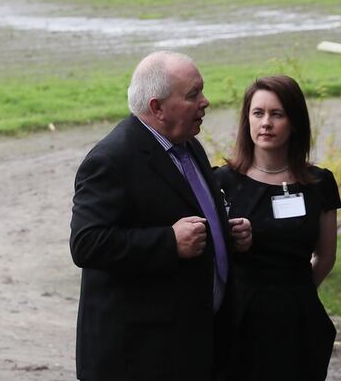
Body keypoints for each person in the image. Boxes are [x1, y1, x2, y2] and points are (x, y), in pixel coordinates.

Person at [69, 51, 253, 381]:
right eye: (193, 94)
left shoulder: (188, 144)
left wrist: (224, 234)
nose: (205, 102)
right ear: (157, 108)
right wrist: (168, 241)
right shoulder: (111, 159)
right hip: (139, 358)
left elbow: (187, 212)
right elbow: (86, 243)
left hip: (193, 346)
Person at [213, 75, 340, 381]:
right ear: (247, 120)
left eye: (277, 114)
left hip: (298, 320)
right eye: (258, 113)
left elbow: (325, 257)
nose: (266, 123)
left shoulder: (319, 183)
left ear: (294, 121)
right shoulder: (222, 182)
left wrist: (294, 293)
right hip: (238, 319)